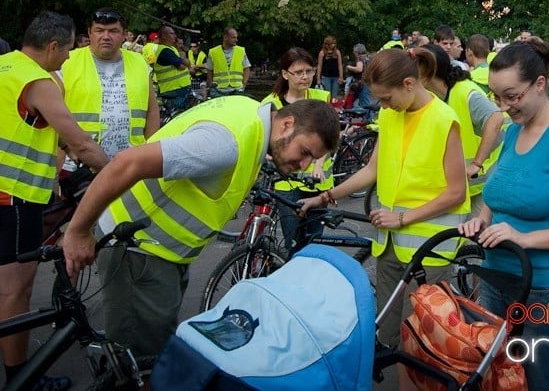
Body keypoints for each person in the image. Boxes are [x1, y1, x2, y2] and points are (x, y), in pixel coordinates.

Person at [61, 97, 340, 357]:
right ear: (287, 124)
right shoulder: (227, 144)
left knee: (151, 351)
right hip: (139, 250)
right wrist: (77, 231)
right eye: (304, 152)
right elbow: (126, 163)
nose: (303, 165)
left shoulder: (251, 112)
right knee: (139, 361)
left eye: (311, 159)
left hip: (156, 253)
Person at [301, 47, 469, 389]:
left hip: (430, 247)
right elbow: (373, 170)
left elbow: (456, 193)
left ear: (409, 83)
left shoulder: (443, 119)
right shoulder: (393, 115)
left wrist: (403, 218)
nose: (382, 106)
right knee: (391, 334)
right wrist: (326, 196)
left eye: (386, 98)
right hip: (391, 243)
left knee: (419, 339)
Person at [0, 11, 109, 390]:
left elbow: (16, 123)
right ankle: (20, 379)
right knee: (17, 292)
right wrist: (115, 171)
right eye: (69, 48)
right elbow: (79, 143)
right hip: (10, 196)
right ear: (53, 45)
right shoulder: (39, 82)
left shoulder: (1, 63)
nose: (71, 57)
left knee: (11, 270)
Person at [458, 39, 549, 391]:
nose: (504, 107)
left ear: (540, 84)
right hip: (496, 278)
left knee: (544, 381)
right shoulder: (512, 134)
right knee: (501, 376)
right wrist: (482, 219)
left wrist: (524, 238)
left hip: (546, 288)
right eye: (497, 97)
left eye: (512, 96)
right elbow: (498, 195)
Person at [61, 8, 160, 160]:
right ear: (90, 33)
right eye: (99, 30)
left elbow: (152, 110)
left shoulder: (139, 62)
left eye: (113, 31)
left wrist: (149, 150)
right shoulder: (67, 61)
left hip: (131, 162)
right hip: (81, 164)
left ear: (124, 34)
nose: (106, 36)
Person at [261, 48, 333, 251]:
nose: (305, 77)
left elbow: (329, 138)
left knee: (314, 242)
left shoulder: (321, 97)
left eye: (309, 71)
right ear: (285, 74)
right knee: (292, 241)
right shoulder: (270, 104)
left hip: (317, 184)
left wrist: (318, 164)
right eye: (299, 72)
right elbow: (263, 142)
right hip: (286, 185)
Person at [423, 44, 504, 214]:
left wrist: (476, 163)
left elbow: (495, 118)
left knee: (477, 231)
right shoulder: (435, 97)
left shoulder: (464, 91)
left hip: (488, 173)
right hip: (467, 180)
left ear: (426, 73)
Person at [151, 25, 193, 110]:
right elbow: (182, 66)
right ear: (164, 36)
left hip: (178, 90)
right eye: (172, 34)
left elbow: (187, 64)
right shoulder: (165, 51)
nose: (175, 36)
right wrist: (183, 58)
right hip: (173, 92)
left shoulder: (172, 48)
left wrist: (184, 62)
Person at [206, 27, 251, 94]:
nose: (236, 40)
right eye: (233, 37)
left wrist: (244, 84)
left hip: (237, 89)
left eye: (236, 37)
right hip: (219, 90)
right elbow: (209, 70)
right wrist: (211, 85)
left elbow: (247, 68)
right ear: (225, 38)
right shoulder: (213, 52)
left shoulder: (241, 51)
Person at [343, 43, 369, 108]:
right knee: (366, 101)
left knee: (357, 100)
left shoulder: (360, 59)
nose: (354, 53)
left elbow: (359, 69)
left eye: (354, 51)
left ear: (357, 52)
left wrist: (349, 67)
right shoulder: (368, 58)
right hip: (368, 82)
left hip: (360, 83)